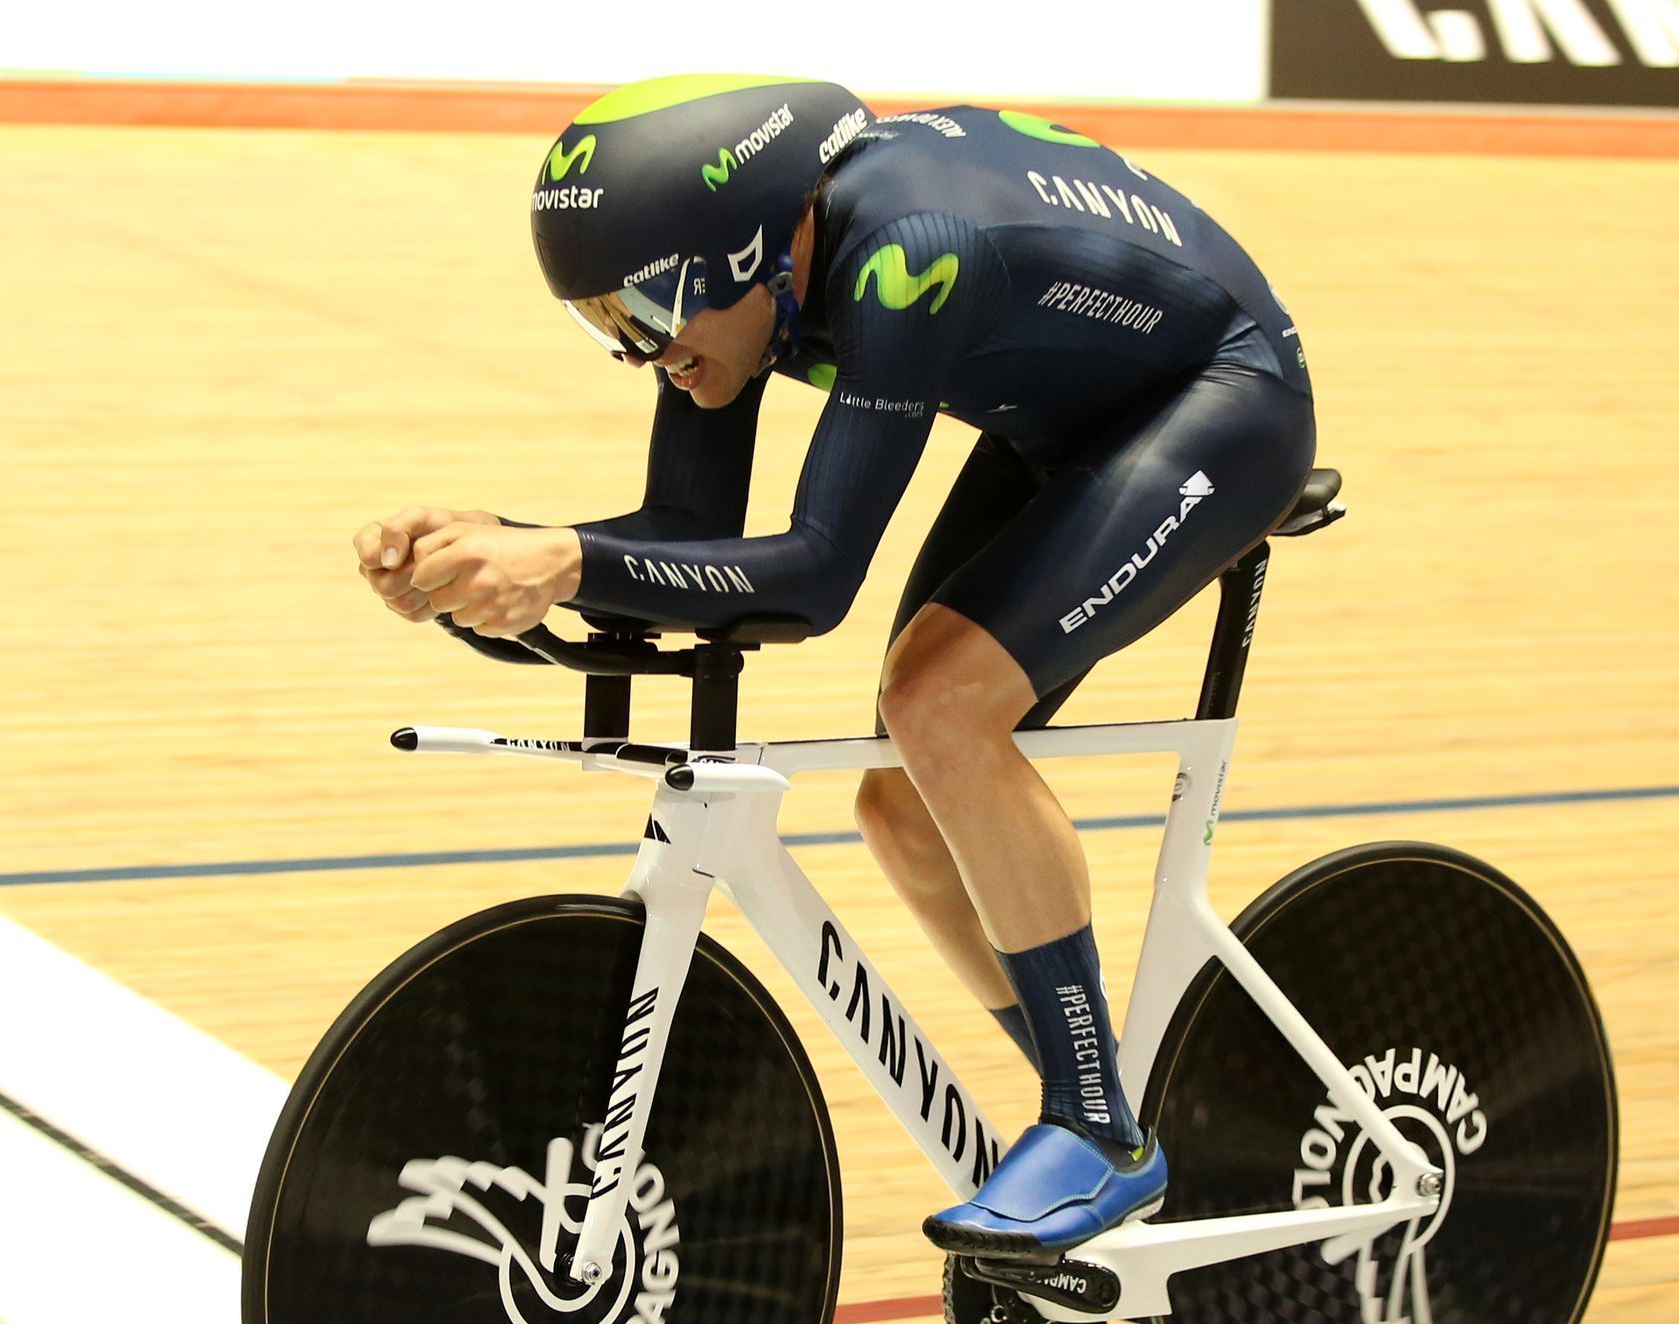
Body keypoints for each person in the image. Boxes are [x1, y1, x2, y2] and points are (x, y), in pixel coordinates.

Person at [351, 74, 1317, 1257]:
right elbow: (688, 529)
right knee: (903, 808)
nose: (641, 350)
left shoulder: (910, 253)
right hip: (1072, 419)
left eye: (647, 309)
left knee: (942, 705)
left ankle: (1098, 1134)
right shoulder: (738, 288)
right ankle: (1122, 1101)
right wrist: (496, 547)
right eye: (604, 323)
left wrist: (559, 562)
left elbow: (812, 578)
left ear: (740, 250)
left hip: (1221, 399)